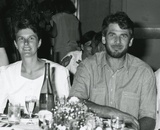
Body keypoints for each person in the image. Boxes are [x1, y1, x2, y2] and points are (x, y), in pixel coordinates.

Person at [69, 12, 156, 130]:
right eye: (112, 35)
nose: (117, 41)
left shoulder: (144, 72)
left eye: (123, 36)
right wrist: (114, 114)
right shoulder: (87, 66)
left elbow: (149, 118)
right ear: (104, 39)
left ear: (130, 41)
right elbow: (74, 102)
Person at [0, 18, 70, 114]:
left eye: (31, 38)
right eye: (21, 39)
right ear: (16, 44)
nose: (26, 43)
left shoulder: (59, 72)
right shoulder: (6, 73)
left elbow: (67, 112)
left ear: (39, 43)